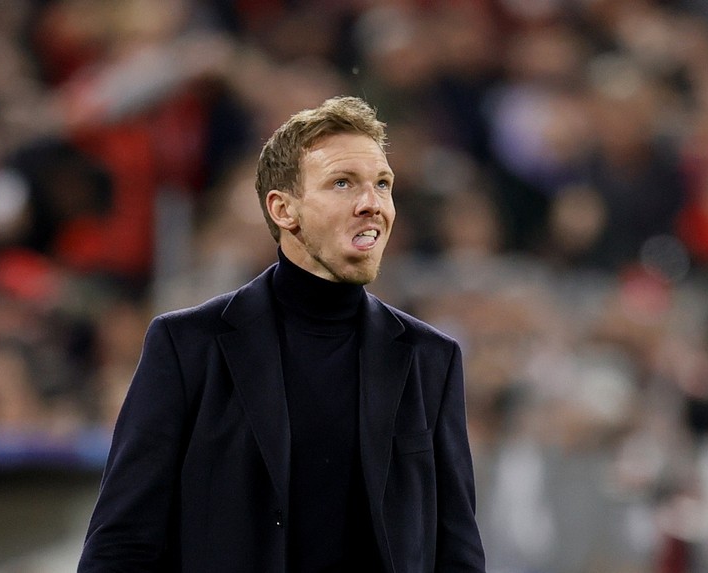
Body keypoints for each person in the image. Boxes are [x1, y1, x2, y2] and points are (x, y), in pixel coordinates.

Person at [77, 96, 486, 572]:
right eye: (342, 183)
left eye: (382, 185)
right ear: (283, 209)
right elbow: (123, 543)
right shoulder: (188, 346)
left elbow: (457, 553)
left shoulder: (431, 358)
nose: (372, 204)